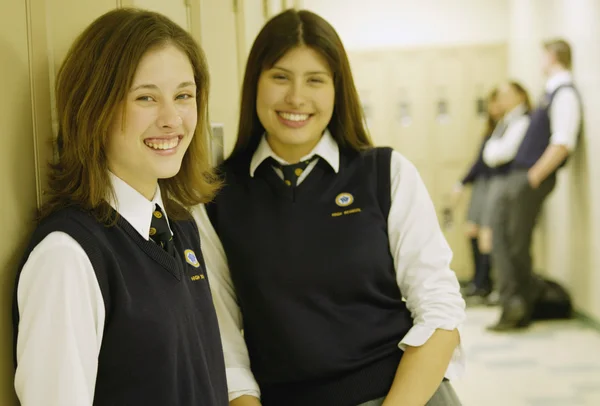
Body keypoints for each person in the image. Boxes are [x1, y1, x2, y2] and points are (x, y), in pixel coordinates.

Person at [194, 9, 465, 406]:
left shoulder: (384, 174)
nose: (296, 98)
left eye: (315, 80)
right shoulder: (217, 198)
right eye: (280, 77)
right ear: (255, 83)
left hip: (404, 395)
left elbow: (440, 313)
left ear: (338, 90)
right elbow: (225, 346)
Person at [12, 8, 228, 406]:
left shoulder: (180, 226)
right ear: (94, 108)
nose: (172, 119)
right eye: (145, 97)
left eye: (183, 96)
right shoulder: (67, 257)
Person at [488, 39, 582, 331]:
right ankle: (512, 306)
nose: (540, 61)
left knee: (515, 245)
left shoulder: (564, 94)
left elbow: (563, 141)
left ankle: (518, 308)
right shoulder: (550, 93)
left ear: (553, 57)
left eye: (543, 56)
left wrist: (534, 175)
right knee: (504, 240)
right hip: (519, 177)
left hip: (528, 177)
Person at [450, 88, 503, 300]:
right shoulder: (492, 130)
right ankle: (478, 282)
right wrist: (462, 182)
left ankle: (485, 284)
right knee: (472, 230)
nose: (494, 107)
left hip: (494, 184)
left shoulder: (507, 128)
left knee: (486, 235)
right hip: (482, 183)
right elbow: (480, 162)